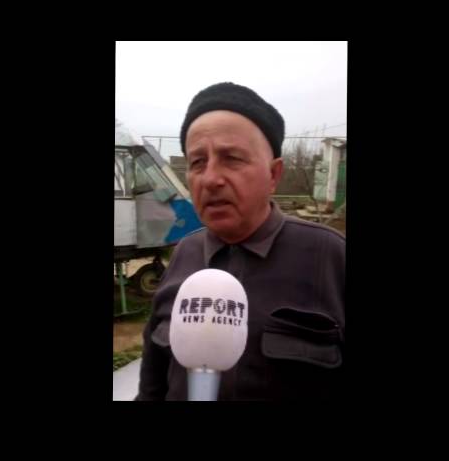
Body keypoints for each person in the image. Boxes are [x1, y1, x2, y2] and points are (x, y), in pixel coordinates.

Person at [135, 82, 345, 401]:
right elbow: (152, 386)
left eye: (231, 158)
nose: (210, 179)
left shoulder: (330, 257)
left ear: (273, 175)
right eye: (197, 162)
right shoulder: (183, 254)